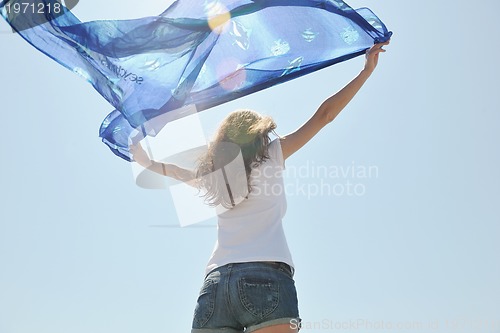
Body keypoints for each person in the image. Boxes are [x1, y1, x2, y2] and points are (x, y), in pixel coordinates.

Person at [130, 41, 389, 333]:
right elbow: (324, 115)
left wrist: (146, 160)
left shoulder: (214, 173)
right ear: (259, 134)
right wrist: (365, 72)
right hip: (266, 278)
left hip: (214, 287)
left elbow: (175, 170)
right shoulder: (273, 154)